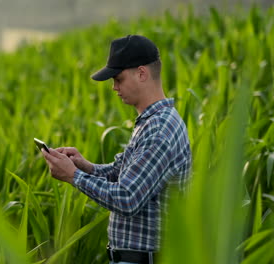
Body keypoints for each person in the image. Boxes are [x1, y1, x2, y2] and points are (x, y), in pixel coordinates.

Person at [41, 35, 192, 264]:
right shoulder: (151, 122)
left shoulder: (160, 130)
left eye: (118, 79)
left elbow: (128, 198)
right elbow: (122, 174)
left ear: (142, 74)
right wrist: (85, 166)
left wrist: (73, 176)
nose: (114, 87)